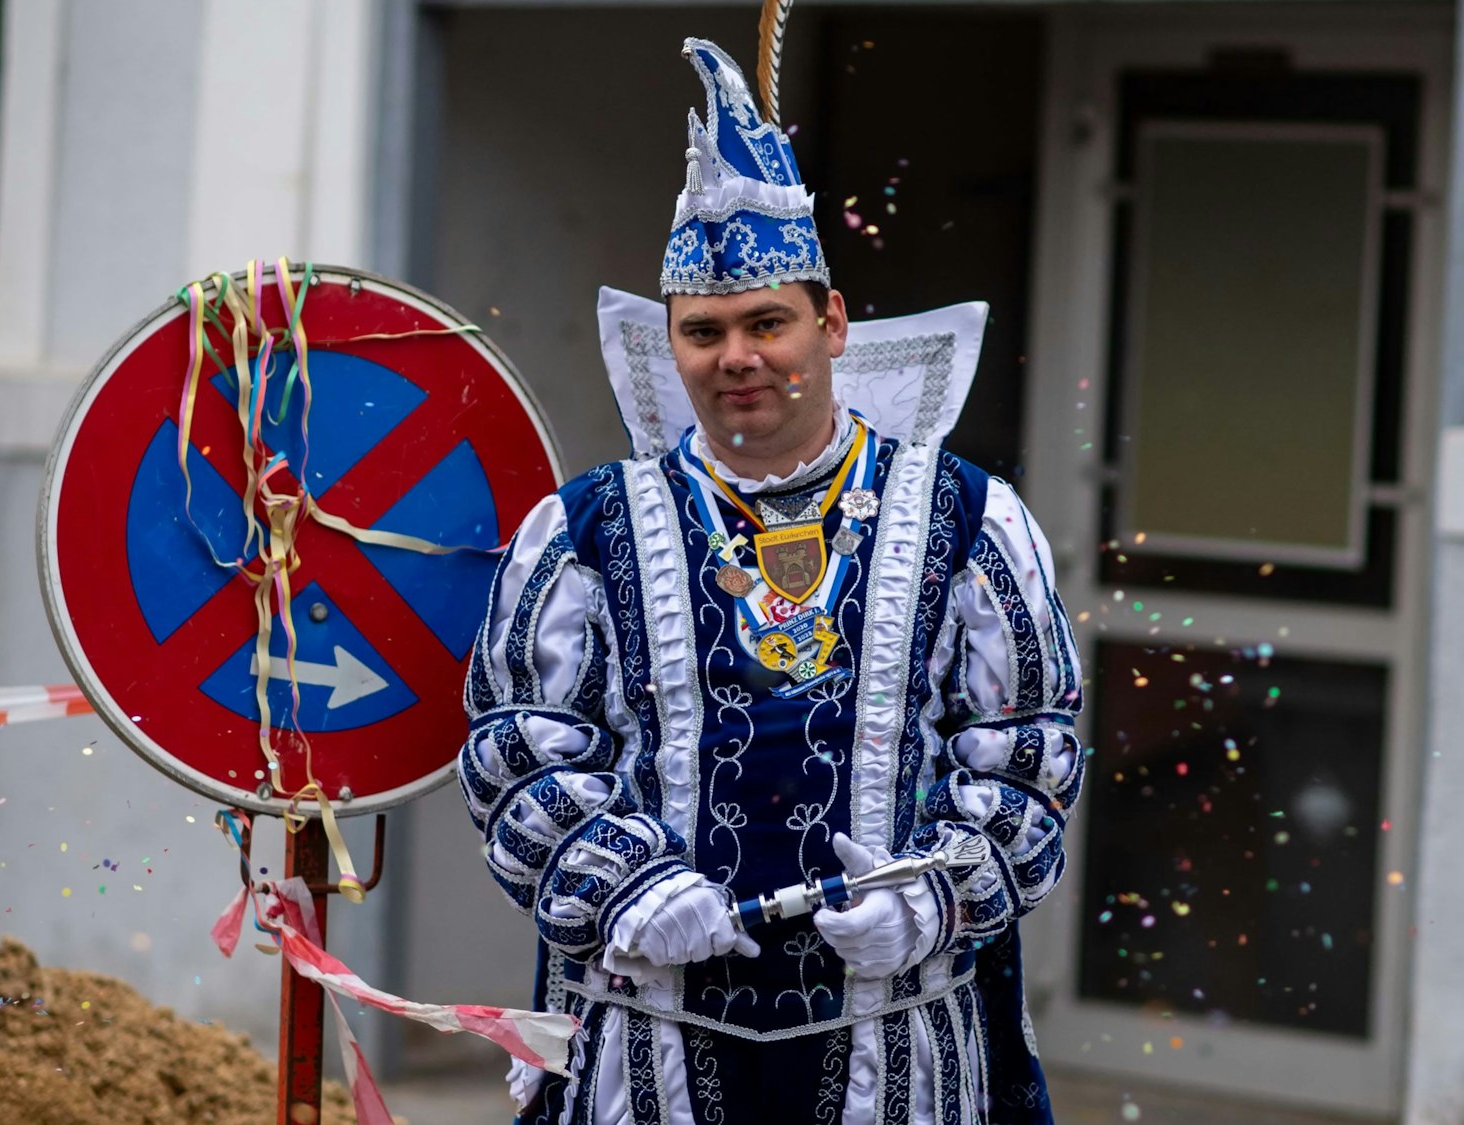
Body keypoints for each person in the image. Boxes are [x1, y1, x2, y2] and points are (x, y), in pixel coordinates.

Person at [459, 30, 1082, 1125]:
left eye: (765, 323)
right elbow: (517, 749)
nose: (735, 357)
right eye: (702, 332)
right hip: (647, 1051)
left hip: (893, 1054)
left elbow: (1030, 754)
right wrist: (624, 885)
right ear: (669, 344)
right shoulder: (581, 528)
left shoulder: (970, 519)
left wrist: (934, 896)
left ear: (830, 324)